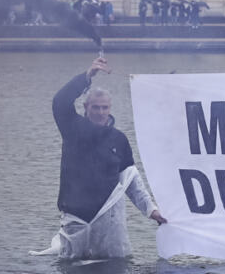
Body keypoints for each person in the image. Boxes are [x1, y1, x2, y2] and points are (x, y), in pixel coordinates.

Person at [35, 55, 165, 260]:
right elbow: (60, 102)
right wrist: (88, 76)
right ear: (86, 108)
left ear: (110, 109)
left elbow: (131, 180)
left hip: (109, 221)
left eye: (105, 107)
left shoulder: (119, 139)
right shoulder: (72, 128)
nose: (100, 112)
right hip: (76, 217)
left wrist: (152, 211)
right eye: (96, 107)